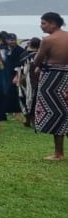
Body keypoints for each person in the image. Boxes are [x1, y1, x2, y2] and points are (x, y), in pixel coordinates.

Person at [33, 12, 68, 160]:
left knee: (56, 114)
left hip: (53, 79)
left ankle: (58, 153)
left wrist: (39, 65)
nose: (41, 26)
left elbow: (37, 60)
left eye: (43, 23)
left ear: (53, 24)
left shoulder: (48, 40)